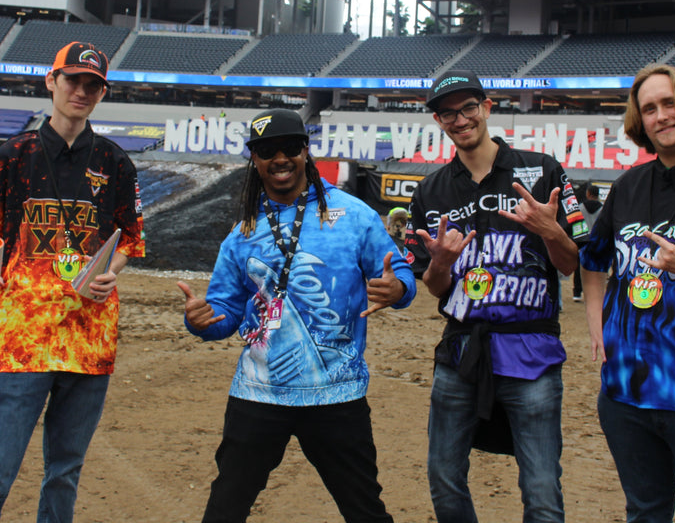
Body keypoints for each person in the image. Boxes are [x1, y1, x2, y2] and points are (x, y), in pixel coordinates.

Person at [178, 108, 416, 523]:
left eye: (290, 147)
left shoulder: (355, 216)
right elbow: (226, 310)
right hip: (257, 394)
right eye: (267, 150)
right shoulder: (242, 233)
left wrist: (398, 289)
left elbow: (400, 274)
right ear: (254, 159)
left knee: (365, 511)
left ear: (306, 151)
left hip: (337, 395)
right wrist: (203, 319)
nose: (280, 158)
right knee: (225, 508)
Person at [404, 69, 587, 523]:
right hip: (461, 353)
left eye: (468, 108)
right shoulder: (430, 191)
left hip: (534, 354)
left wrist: (550, 230)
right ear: (439, 122)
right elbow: (434, 286)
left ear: (487, 108)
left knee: (542, 488)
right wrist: (442, 265)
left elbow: (570, 263)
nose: (460, 119)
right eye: (448, 113)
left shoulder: (542, 170)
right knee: (444, 475)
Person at [0, 42, 145, 521]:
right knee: (1, 466)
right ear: (51, 81)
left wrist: (109, 273)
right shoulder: (11, 156)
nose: (81, 91)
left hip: (88, 338)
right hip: (22, 338)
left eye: (92, 85)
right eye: (72, 80)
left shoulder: (115, 163)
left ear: (102, 93)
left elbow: (131, 237)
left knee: (65, 469)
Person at [580, 63, 675, 522]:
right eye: (649, 109)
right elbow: (594, 260)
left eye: (668, 103)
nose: (661, 116)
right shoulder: (629, 186)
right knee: (645, 513)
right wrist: (596, 326)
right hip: (625, 395)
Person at [572, 183, 603, 301]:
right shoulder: (603, 209)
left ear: (588, 193)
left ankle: (577, 292)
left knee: (579, 269)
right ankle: (594, 294)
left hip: (582, 240)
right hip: (596, 241)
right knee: (595, 268)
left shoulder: (580, 207)